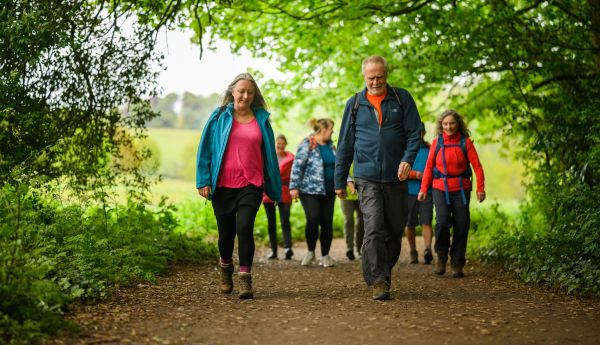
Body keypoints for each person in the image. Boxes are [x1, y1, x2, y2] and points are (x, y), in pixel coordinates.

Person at [335, 55, 422, 300]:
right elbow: (344, 144)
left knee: (394, 228)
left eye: (380, 77)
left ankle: (383, 269)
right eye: (371, 77)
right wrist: (340, 180)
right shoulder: (354, 104)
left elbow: (415, 133)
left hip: (396, 177)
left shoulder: (401, 98)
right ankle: (378, 280)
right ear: (364, 77)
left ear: (386, 74)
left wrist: (407, 159)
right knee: (373, 227)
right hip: (367, 176)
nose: (375, 81)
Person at [196, 73, 281, 299]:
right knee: (226, 235)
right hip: (222, 185)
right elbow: (205, 150)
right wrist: (203, 180)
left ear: (255, 96)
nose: (245, 95)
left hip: (251, 183)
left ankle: (245, 279)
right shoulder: (219, 117)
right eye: (241, 91)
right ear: (232, 92)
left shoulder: (262, 120)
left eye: (250, 92)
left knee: (244, 228)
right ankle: (225, 268)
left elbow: (270, 155)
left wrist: (273, 185)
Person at [418, 109, 485, 278]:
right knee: (442, 222)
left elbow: (477, 166)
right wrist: (424, 189)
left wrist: (480, 188)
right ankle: (441, 256)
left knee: (462, 224)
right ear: (441, 125)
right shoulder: (437, 142)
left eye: (452, 123)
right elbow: (428, 167)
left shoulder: (466, 142)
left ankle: (457, 262)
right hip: (440, 188)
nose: (449, 127)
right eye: (445, 124)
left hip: (461, 189)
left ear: (458, 124)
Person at [290, 118, 337, 268]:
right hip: (309, 190)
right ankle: (310, 252)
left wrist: (346, 181)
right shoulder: (308, 144)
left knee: (327, 222)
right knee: (313, 218)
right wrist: (294, 187)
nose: (332, 132)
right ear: (323, 130)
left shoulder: (332, 147)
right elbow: (298, 166)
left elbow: (339, 166)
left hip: (329, 191)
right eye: (331, 129)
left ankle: (325, 255)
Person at [405, 123, 434, 265]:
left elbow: (436, 167)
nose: (418, 135)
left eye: (420, 132)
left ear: (424, 133)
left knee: (426, 221)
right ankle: (413, 251)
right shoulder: (405, 149)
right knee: (409, 223)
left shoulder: (429, 149)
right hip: (408, 191)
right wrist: (414, 174)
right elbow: (398, 169)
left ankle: (428, 249)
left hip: (427, 191)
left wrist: (429, 176)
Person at [262, 134, 295, 260]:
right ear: (274, 144)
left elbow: (294, 175)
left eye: (282, 144)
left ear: (285, 144)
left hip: (284, 191)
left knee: (285, 221)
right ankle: (273, 250)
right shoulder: (268, 157)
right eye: (278, 144)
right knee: (271, 223)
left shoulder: (291, 158)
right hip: (268, 192)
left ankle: (288, 248)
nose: (280, 146)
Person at [340, 164, 364, 261]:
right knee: (348, 220)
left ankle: (359, 249)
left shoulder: (364, 149)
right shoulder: (344, 150)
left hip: (362, 193)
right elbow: (340, 168)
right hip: (346, 193)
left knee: (361, 222)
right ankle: (349, 248)